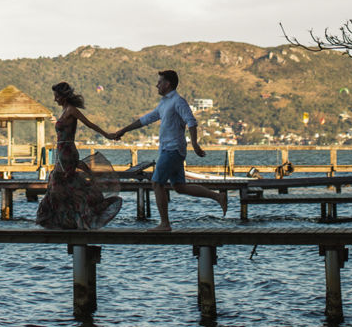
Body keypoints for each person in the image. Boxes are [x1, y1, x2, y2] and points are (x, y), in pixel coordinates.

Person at [113, 69, 228, 231]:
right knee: (180, 186)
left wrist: (195, 144)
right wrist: (123, 130)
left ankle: (165, 224)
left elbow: (191, 122)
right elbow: (146, 119)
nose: (156, 85)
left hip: (173, 149)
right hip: (169, 149)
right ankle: (217, 196)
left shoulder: (178, 102)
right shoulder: (164, 103)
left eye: (159, 82)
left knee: (156, 183)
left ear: (167, 84)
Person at [35, 82, 123, 230]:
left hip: (67, 151)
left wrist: (107, 135)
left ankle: (79, 218)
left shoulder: (71, 110)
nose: (54, 99)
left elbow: (90, 124)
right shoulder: (64, 111)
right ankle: (74, 220)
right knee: (62, 185)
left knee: (59, 184)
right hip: (62, 150)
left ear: (63, 96)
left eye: (56, 96)